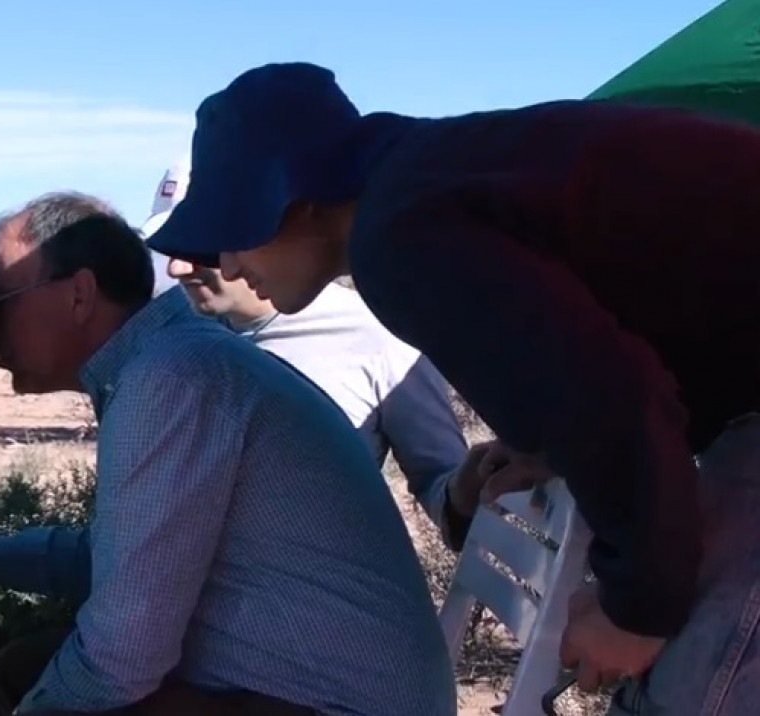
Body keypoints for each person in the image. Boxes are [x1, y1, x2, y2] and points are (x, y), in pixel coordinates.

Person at [144, 61, 760, 716]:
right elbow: (632, 354)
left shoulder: (399, 233)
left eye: (235, 230)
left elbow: (615, 403)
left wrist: (638, 607)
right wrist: (549, 446)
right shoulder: (430, 180)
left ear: (303, 198)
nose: (226, 262)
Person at [0, 191, 456, 715]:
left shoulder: (170, 381)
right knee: (26, 665)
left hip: (333, 704)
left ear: (78, 295)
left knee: (43, 677)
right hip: (321, 686)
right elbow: (114, 557)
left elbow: (122, 655)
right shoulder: (170, 363)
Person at [143, 158, 472, 544]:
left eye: (197, 245)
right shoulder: (171, 341)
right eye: (170, 246)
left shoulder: (381, 336)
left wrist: (468, 493)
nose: (178, 268)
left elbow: (444, 489)